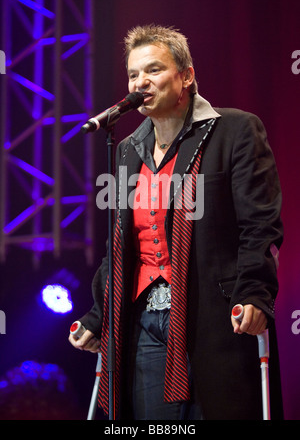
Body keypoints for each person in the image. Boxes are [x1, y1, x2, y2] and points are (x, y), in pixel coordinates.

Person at [69, 24, 284, 420]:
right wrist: (98, 316)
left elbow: (260, 226)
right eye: (133, 74)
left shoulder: (234, 131)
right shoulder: (127, 152)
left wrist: (254, 293)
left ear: (186, 76)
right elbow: (118, 245)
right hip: (144, 321)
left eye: (153, 70)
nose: (140, 82)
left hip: (215, 316)